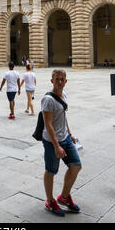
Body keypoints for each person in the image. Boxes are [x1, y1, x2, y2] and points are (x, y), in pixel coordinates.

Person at [42, 69, 82, 217]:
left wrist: (69, 133)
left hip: (65, 138)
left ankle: (64, 197)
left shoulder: (63, 95)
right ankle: (50, 201)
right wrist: (56, 146)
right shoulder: (48, 99)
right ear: (52, 81)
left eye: (62, 79)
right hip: (52, 141)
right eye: (57, 79)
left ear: (66, 81)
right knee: (51, 171)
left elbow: (63, 117)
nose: (60, 82)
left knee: (76, 166)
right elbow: (48, 124)